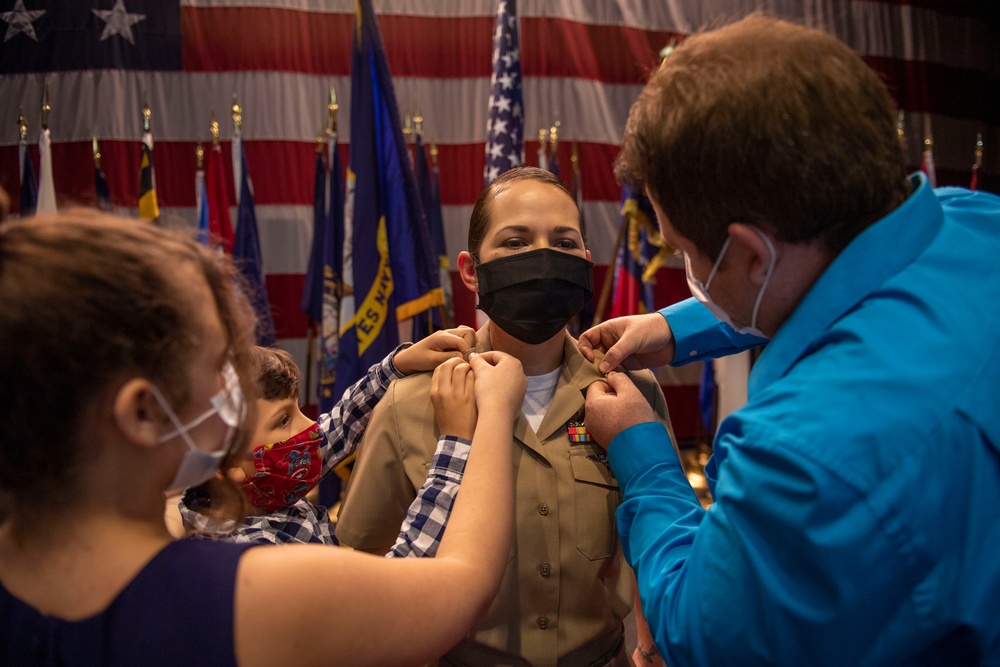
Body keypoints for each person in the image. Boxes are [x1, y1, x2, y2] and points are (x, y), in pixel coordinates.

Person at [578, 13, 1000, 666]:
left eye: (684, 250)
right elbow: (847, 271)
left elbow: (703, 632)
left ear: (750, 254)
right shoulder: (975, 218)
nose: (687, 270)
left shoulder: (802, 454)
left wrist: (647, 457)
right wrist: (674, 327)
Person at [0, 209, 527, 666]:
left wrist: (393, 366)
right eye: (217, 369)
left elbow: (333, 432)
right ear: (142, 413)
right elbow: (461, 584)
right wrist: (490, 417)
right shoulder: (245, 591)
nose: (232, 385)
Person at [336, 167, 679, 666]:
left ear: (585, 263)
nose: (542, 259)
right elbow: (361, 573)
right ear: (472, 271)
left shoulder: (630, 392)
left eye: (563, 244)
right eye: (516, 243)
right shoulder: (411, 403)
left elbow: (658, 543)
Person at [180, 335, 478, 556]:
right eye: (283, 420)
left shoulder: (261, 487)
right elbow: (394, 589)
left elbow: (343, 421)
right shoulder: (253, 557)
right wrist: (455, 442)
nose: (311, 427)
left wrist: (398, 364)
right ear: (225, 463)